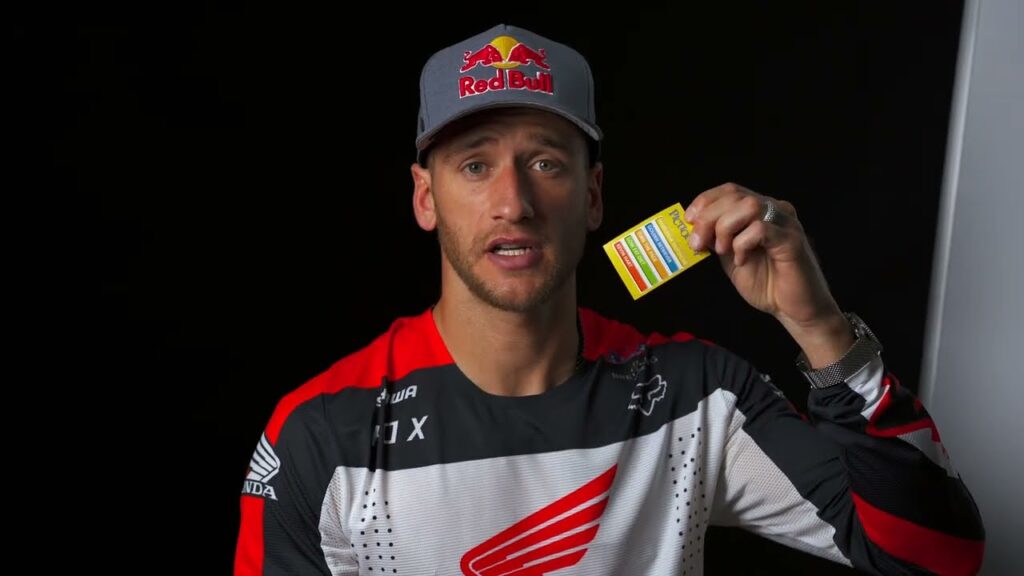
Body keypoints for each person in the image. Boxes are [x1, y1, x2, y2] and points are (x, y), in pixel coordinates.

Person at [234, 24, 984, 575]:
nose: (514, 203)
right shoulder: (321, 434)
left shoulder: (695, 397)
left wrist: (817, 326)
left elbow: (934, 557)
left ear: (592, 196)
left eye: (545, 163)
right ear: (425, 198)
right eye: (475, 166)